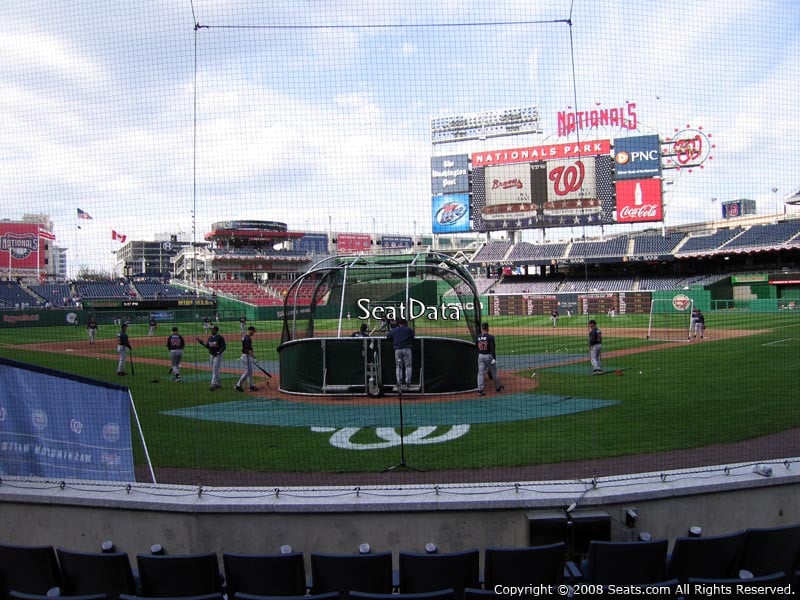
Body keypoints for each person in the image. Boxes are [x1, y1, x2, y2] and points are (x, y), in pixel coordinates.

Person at [476, 322, 504, 397]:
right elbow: (492, 349)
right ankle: (498, 388)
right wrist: (494, 358)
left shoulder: (478, 337)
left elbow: (476, 346)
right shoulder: (490, 337)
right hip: (489, 356)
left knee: (480, 373)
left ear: (482, 328)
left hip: (480, 356)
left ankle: (480, 390)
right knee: (494, 372)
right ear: (488, 328)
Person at [386, 317, 414, 390]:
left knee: (398, 366)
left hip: (397, 350)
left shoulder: (394, 330)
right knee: (408, 366)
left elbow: (388, 336)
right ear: (405, 323)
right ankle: (408, 382)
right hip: (407, 349)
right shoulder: (408, 329)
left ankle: (399, 382)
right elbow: (412, 336)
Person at [197, 325, 226, 390]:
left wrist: (219, 352)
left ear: (216, 330)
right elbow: (208, 346)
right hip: (211, 355)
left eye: (212, 329)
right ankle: (218, 384)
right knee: (215, 369)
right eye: (211, 329)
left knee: (215, 369)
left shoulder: (220, 337)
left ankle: (213, 384)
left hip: (217, 355)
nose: (211, 330)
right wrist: (201, 343)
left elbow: (224, 346)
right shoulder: (210, 338)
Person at [235, 326, 258, 392]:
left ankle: (251, 386)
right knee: (247, 372)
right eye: (253, 331)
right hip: (246, 356)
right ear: (250, 330)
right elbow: (248, 349)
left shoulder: (245, 337)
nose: (254, 333)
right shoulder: (247, 338)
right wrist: (254, 357)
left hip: (246, 356)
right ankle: (238, 385)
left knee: (249, 372)